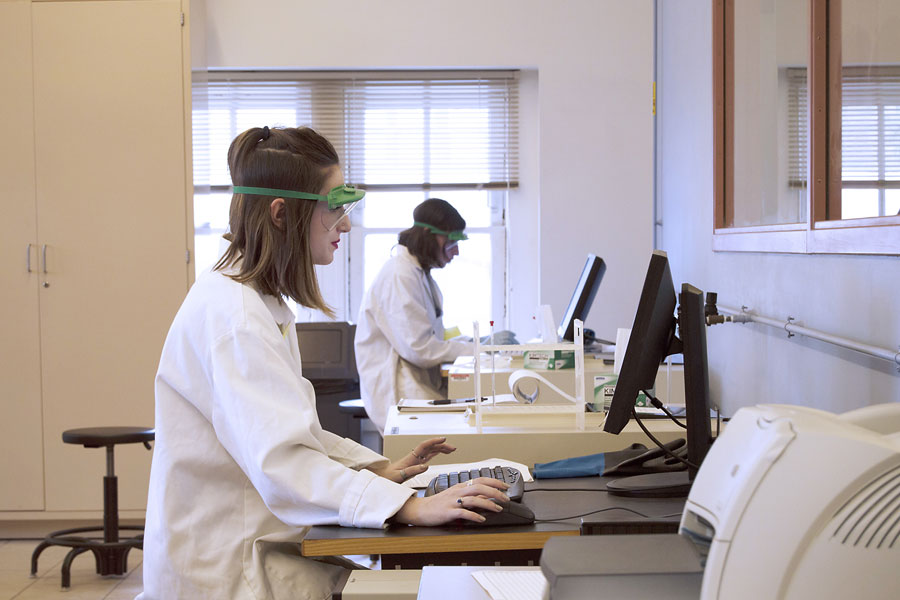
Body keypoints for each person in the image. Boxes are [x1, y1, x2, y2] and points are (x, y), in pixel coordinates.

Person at [139, 126, 510, 600]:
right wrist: (407, 507)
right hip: (232, 570)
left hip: (260, 548)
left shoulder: (254, 302)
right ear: (281, 213)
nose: (347, 224)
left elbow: (290, 434)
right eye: (335, 206)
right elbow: (282, 464)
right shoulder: (235, 318)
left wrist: (376, 471)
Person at [355, 199, 517, 434]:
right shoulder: (399, 275)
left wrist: (475, 342)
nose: (456, 251)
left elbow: (430, 338)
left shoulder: (417, 273)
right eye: (451, 241)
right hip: (401, 392)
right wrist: (478, 348)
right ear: (429, 235)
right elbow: (420, 349)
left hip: (417, 386)